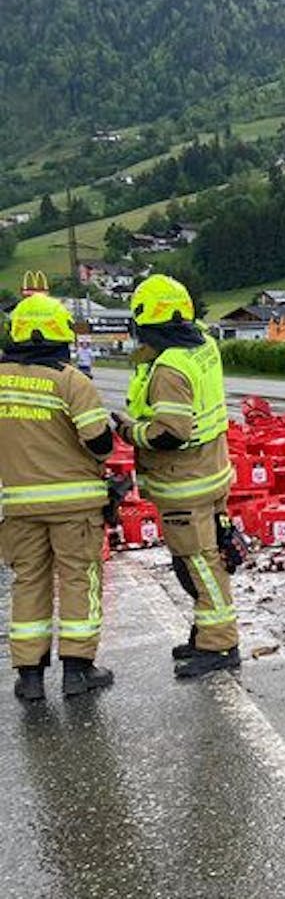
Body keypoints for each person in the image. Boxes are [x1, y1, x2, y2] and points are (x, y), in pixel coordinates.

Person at [112, 275, 241, 678]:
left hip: (186, 483)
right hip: (212, 472)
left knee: (199, 563)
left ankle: (220, 646)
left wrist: (129, 431)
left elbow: (170, 432)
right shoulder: (202, 344)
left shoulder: (169, 368)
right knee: (209, 557)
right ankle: (207, 632)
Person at [0, 294, 117, 701]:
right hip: (75, 505)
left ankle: (29, 678)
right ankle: (77, 671)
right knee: (78, 581)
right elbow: (100, 443)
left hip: (18, 505)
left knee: (28, 582)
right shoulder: (69, 379)